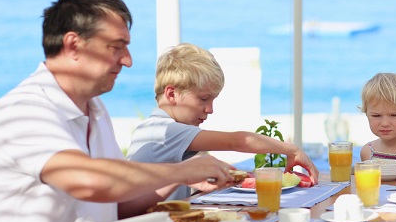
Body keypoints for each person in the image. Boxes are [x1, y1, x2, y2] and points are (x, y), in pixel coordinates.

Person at [0, 0, 235, 222]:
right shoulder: (25, 109)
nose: (127, 60)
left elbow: (117, 205)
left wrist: (184, 174)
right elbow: (89, 183)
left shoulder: (95, 109)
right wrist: (183, 171)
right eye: (116, 46)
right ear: (73, 45)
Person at [126, 43, 319, 200]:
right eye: (203, 99)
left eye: (212, 100)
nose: (210, 109)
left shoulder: (154, 128)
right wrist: (292, 150)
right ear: (171, 94)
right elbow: (238, 141)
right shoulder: (165, 130)